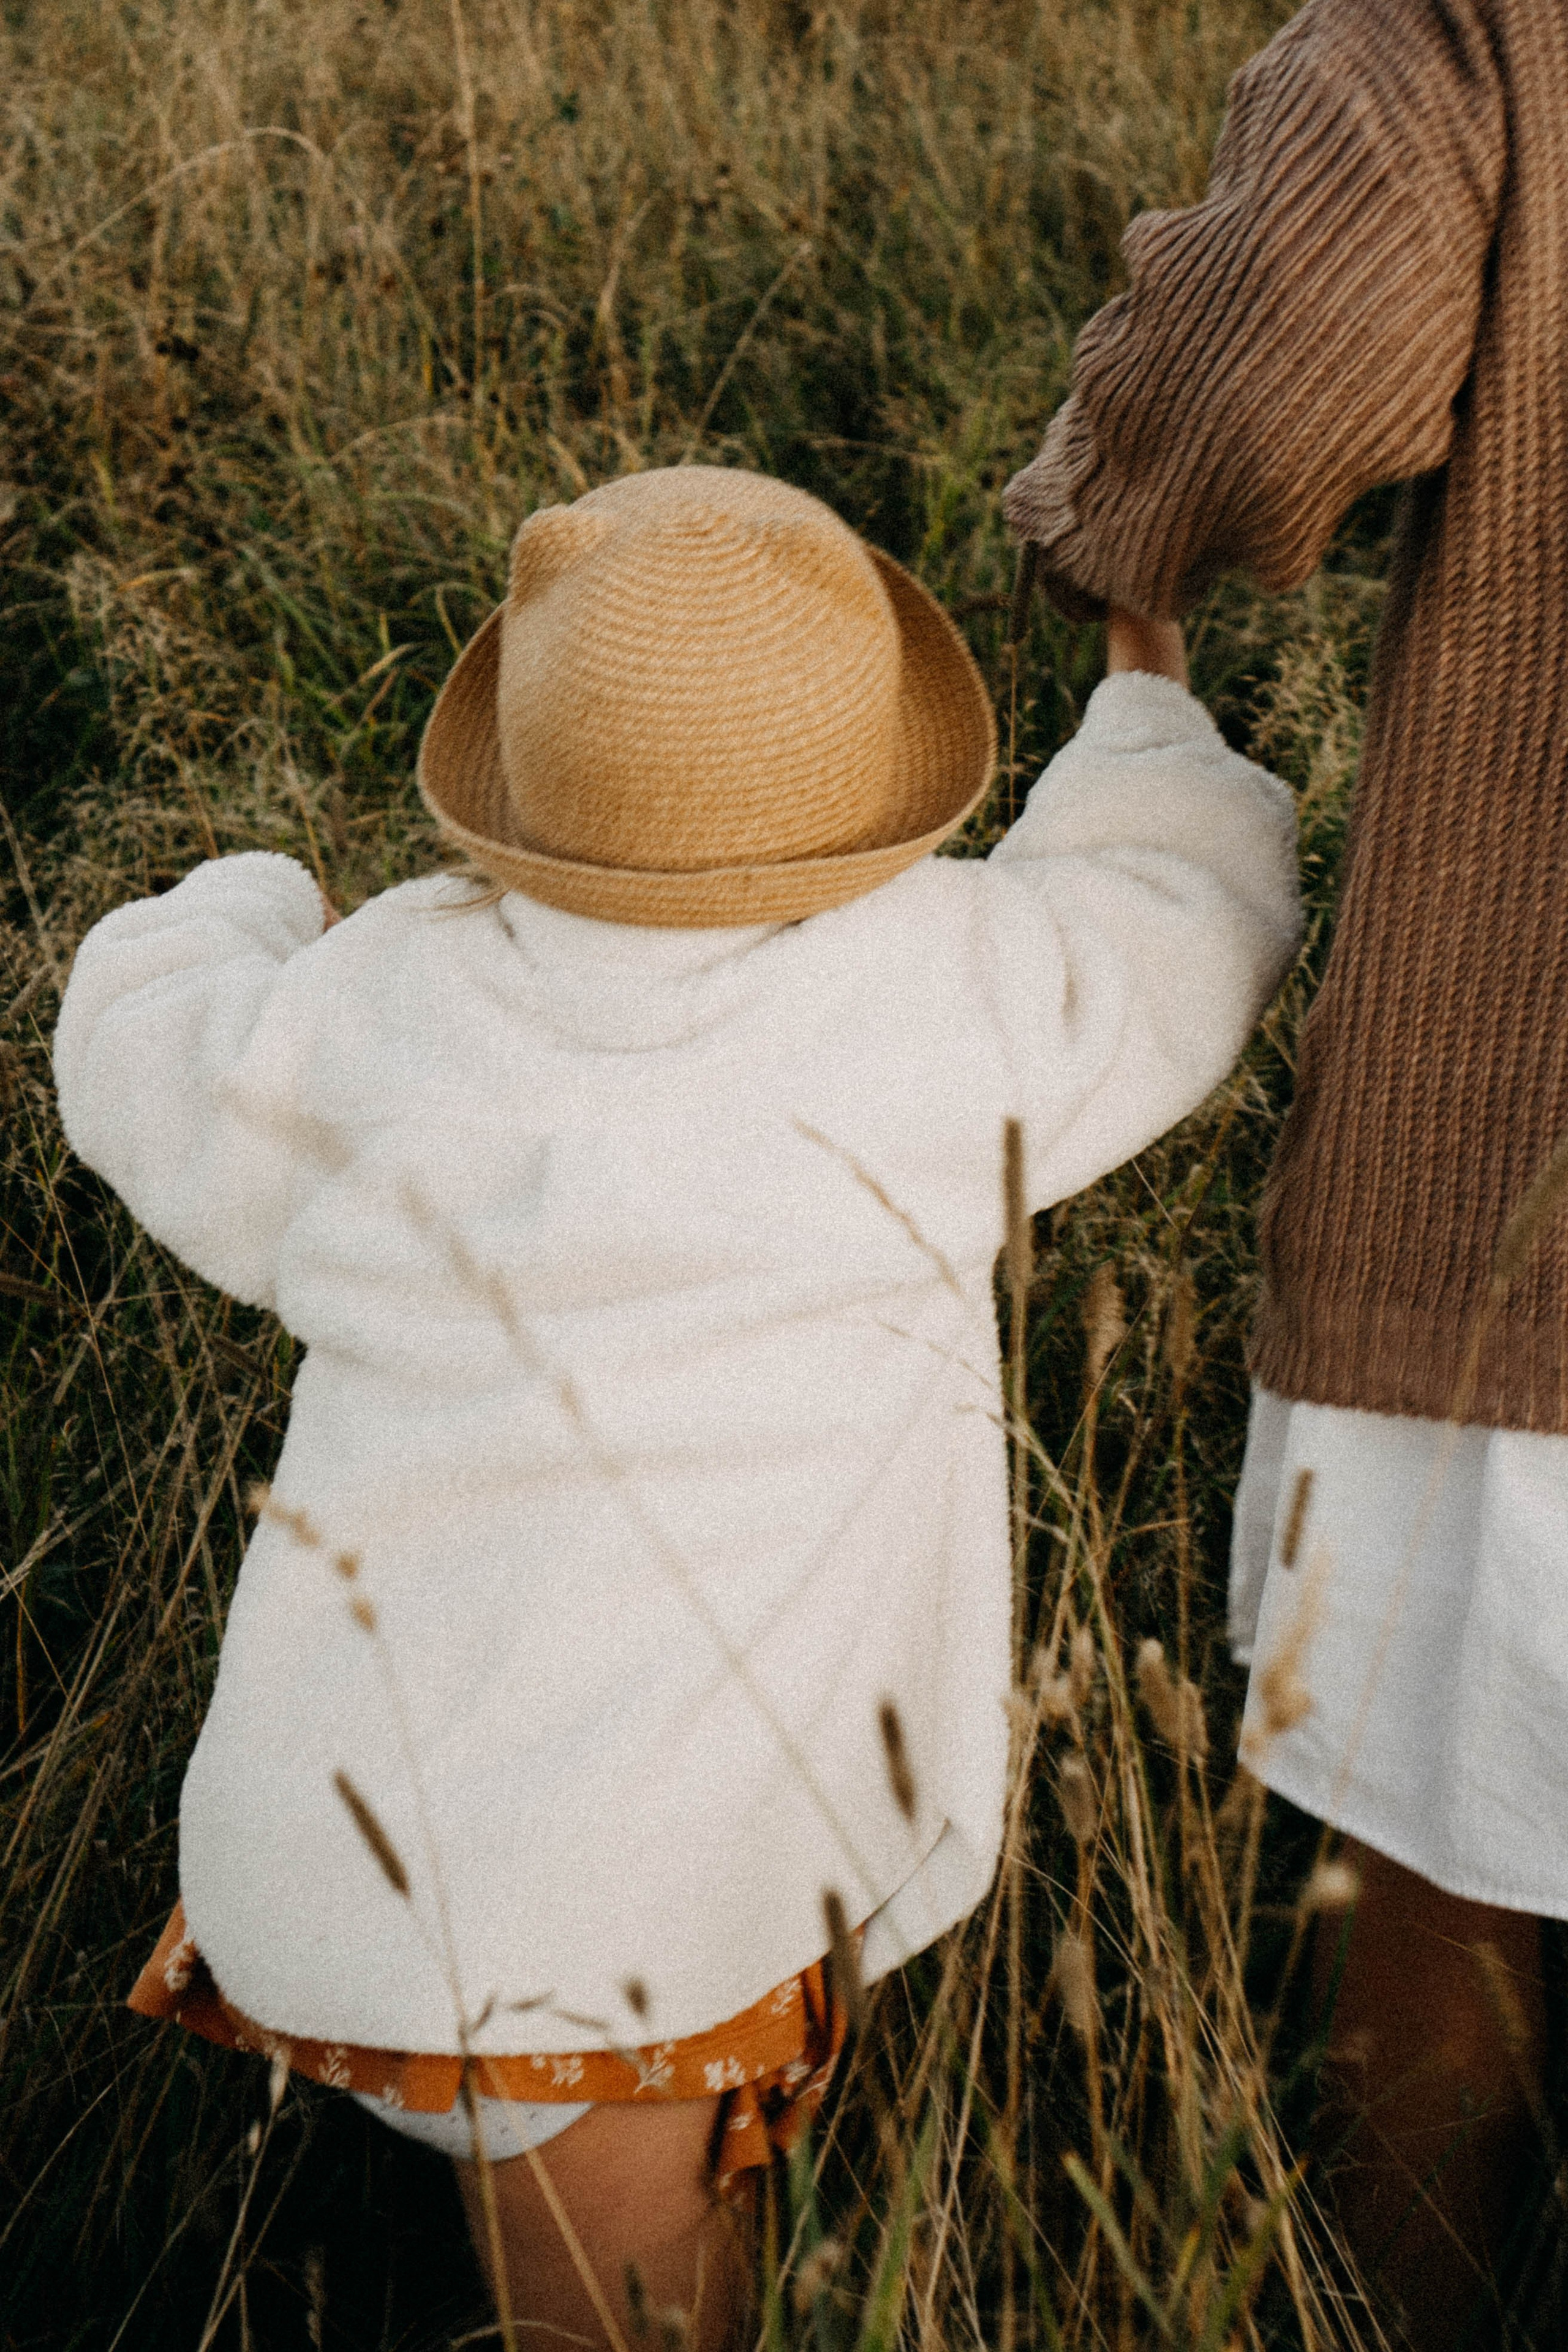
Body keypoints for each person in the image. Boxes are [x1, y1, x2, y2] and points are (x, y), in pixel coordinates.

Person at [56, 465, 1298, 2347]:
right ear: (875, 782)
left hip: (393, 1836)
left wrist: (244, 902)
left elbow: (142, 1044)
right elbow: (1179, 914)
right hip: (630, 1906)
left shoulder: (386, 997)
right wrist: (1140, 687)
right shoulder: (941, 992)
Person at [1004, 0, 1568, 2341]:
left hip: (1520, 1194)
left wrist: (1097, 517)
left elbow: (1263, 378)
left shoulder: (1488, 32)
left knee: (1446, 1870)